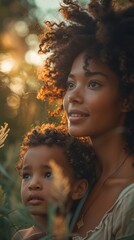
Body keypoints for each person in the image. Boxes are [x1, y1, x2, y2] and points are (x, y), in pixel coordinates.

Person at [37, 0, 134, 239]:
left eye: (93, 83)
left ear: (126, 99)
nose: (73, 97)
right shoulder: (73, 177)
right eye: (70, 84)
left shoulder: (130, 195)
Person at [12, 124, 97, 240]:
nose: (33, 184)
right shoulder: (20, 236)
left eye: (48, 174)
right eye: (27, 176)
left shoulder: (81, 236)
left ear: (78, 189)